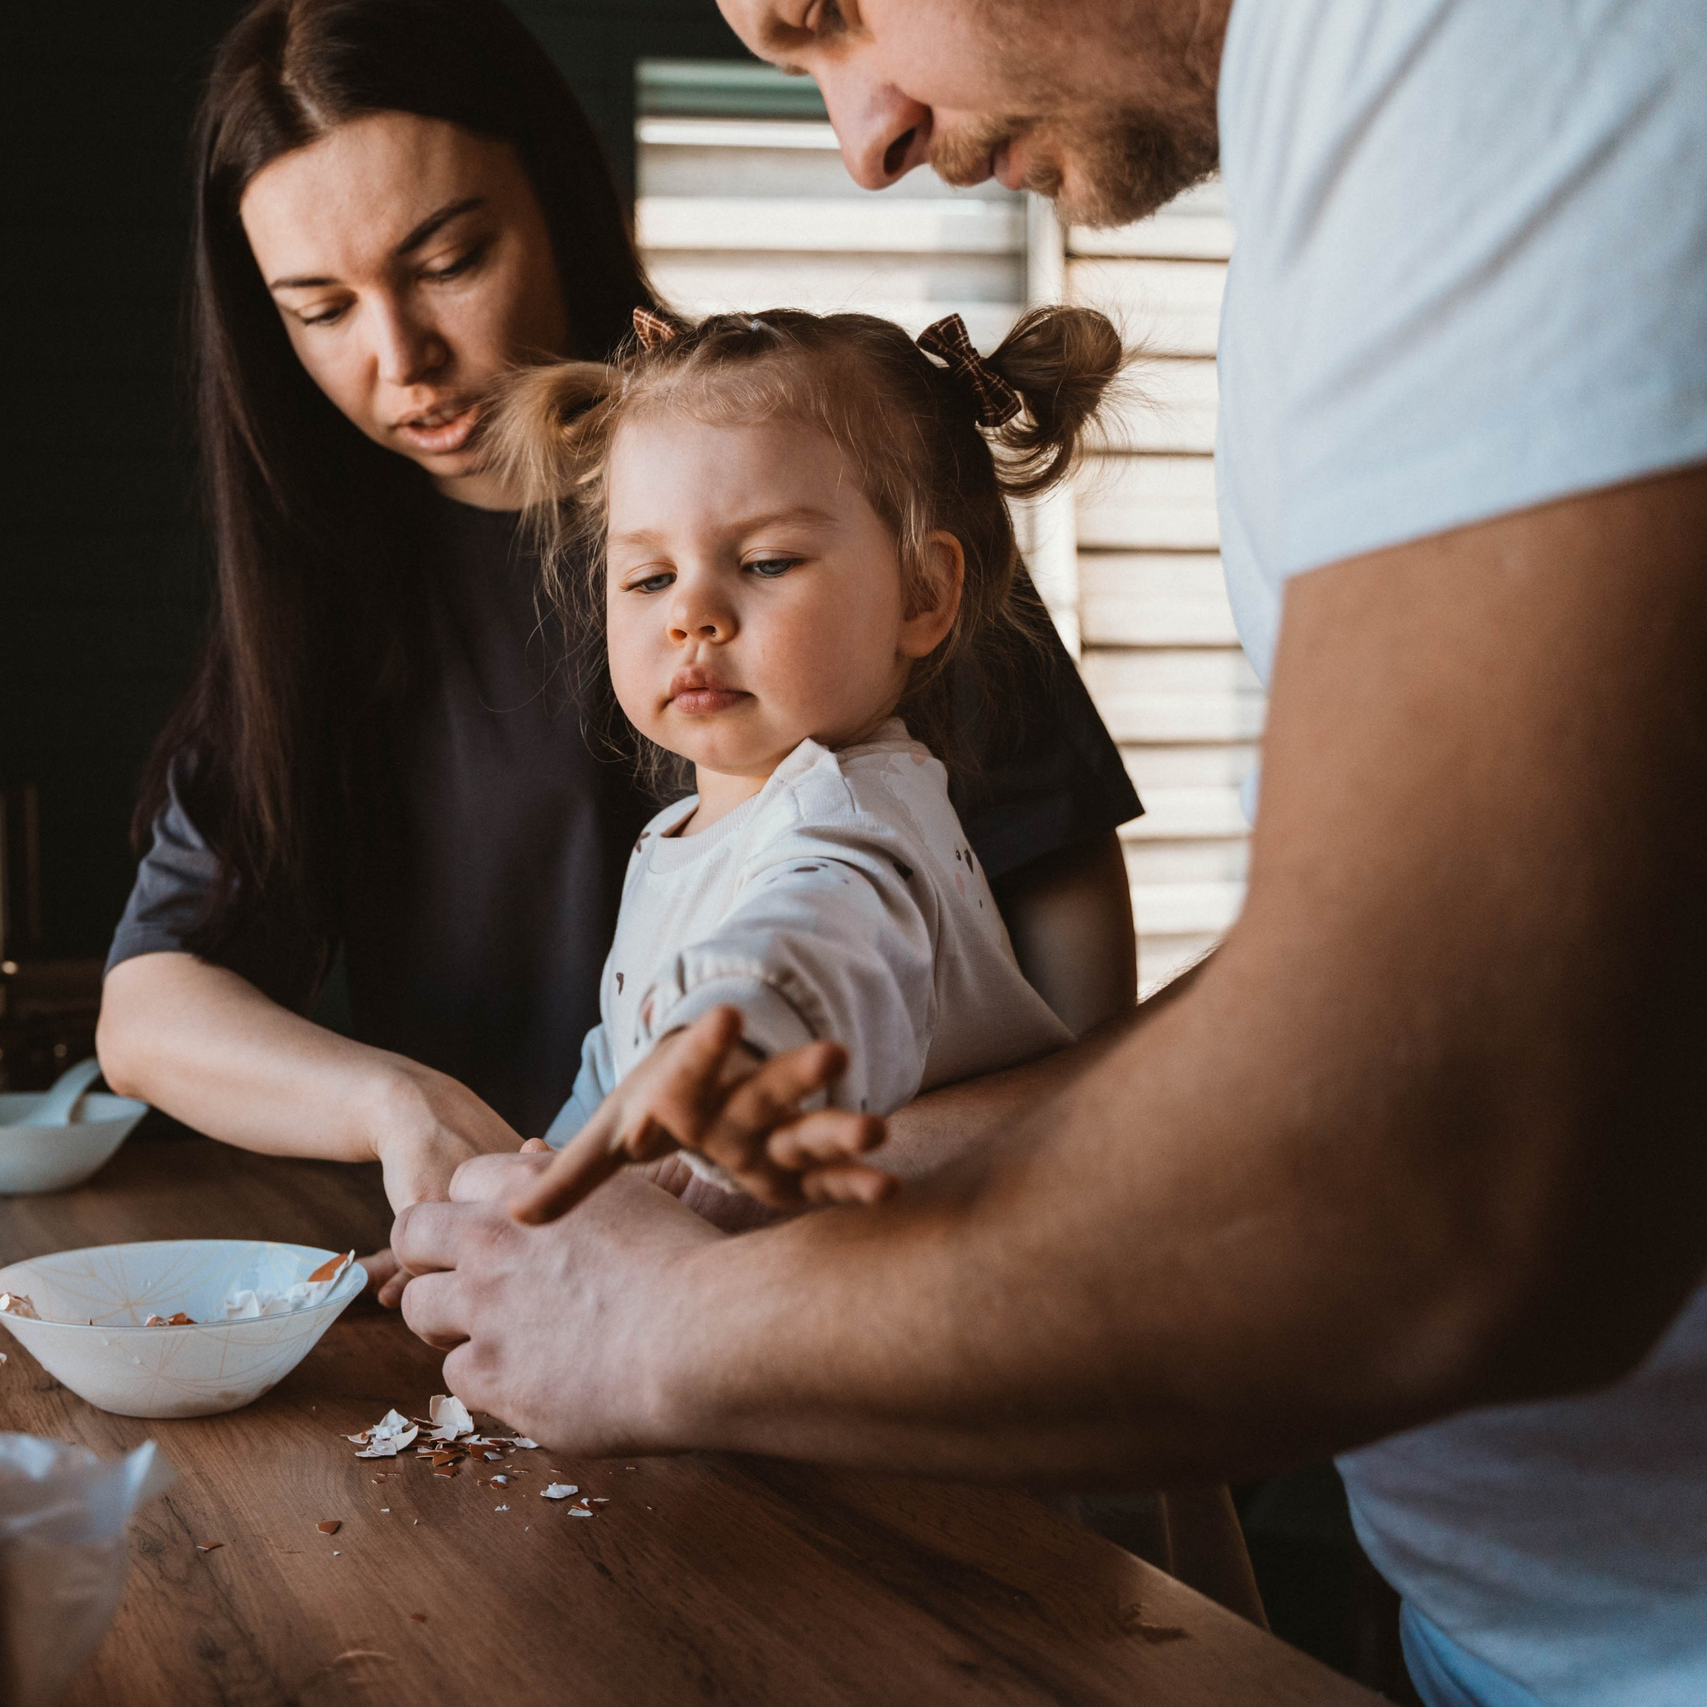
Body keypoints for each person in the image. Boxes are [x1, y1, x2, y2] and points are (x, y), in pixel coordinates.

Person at [389, 3, 1707, 1704]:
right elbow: (1385, 979)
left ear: (926, 593)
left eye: (827, 9)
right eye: (646, 576)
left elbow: (1458, 1140)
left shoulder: (1491, 47)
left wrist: (644, 1325)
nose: (858, 134)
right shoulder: (1333, 179)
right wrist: (588, 1195)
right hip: (1509, 1622)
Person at [95, 0, 1145, 1237]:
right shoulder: (328, 592)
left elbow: (1053, 1037)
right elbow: (147, 1008)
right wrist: (403, 1111)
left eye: (447, 264)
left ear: (556, 200)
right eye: (321, 310)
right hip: (547, 1263)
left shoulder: (825, 482)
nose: (403, 356)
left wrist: (731, 1148)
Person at [474, 305, 1123, 1216]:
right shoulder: (680, 833)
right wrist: (533, 1198)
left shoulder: (859, 820)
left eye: (768, 561)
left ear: (924, 591)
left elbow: (823, 940)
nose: (689, 613)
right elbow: (623, 1064)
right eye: (649, 577)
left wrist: (734, 1046)